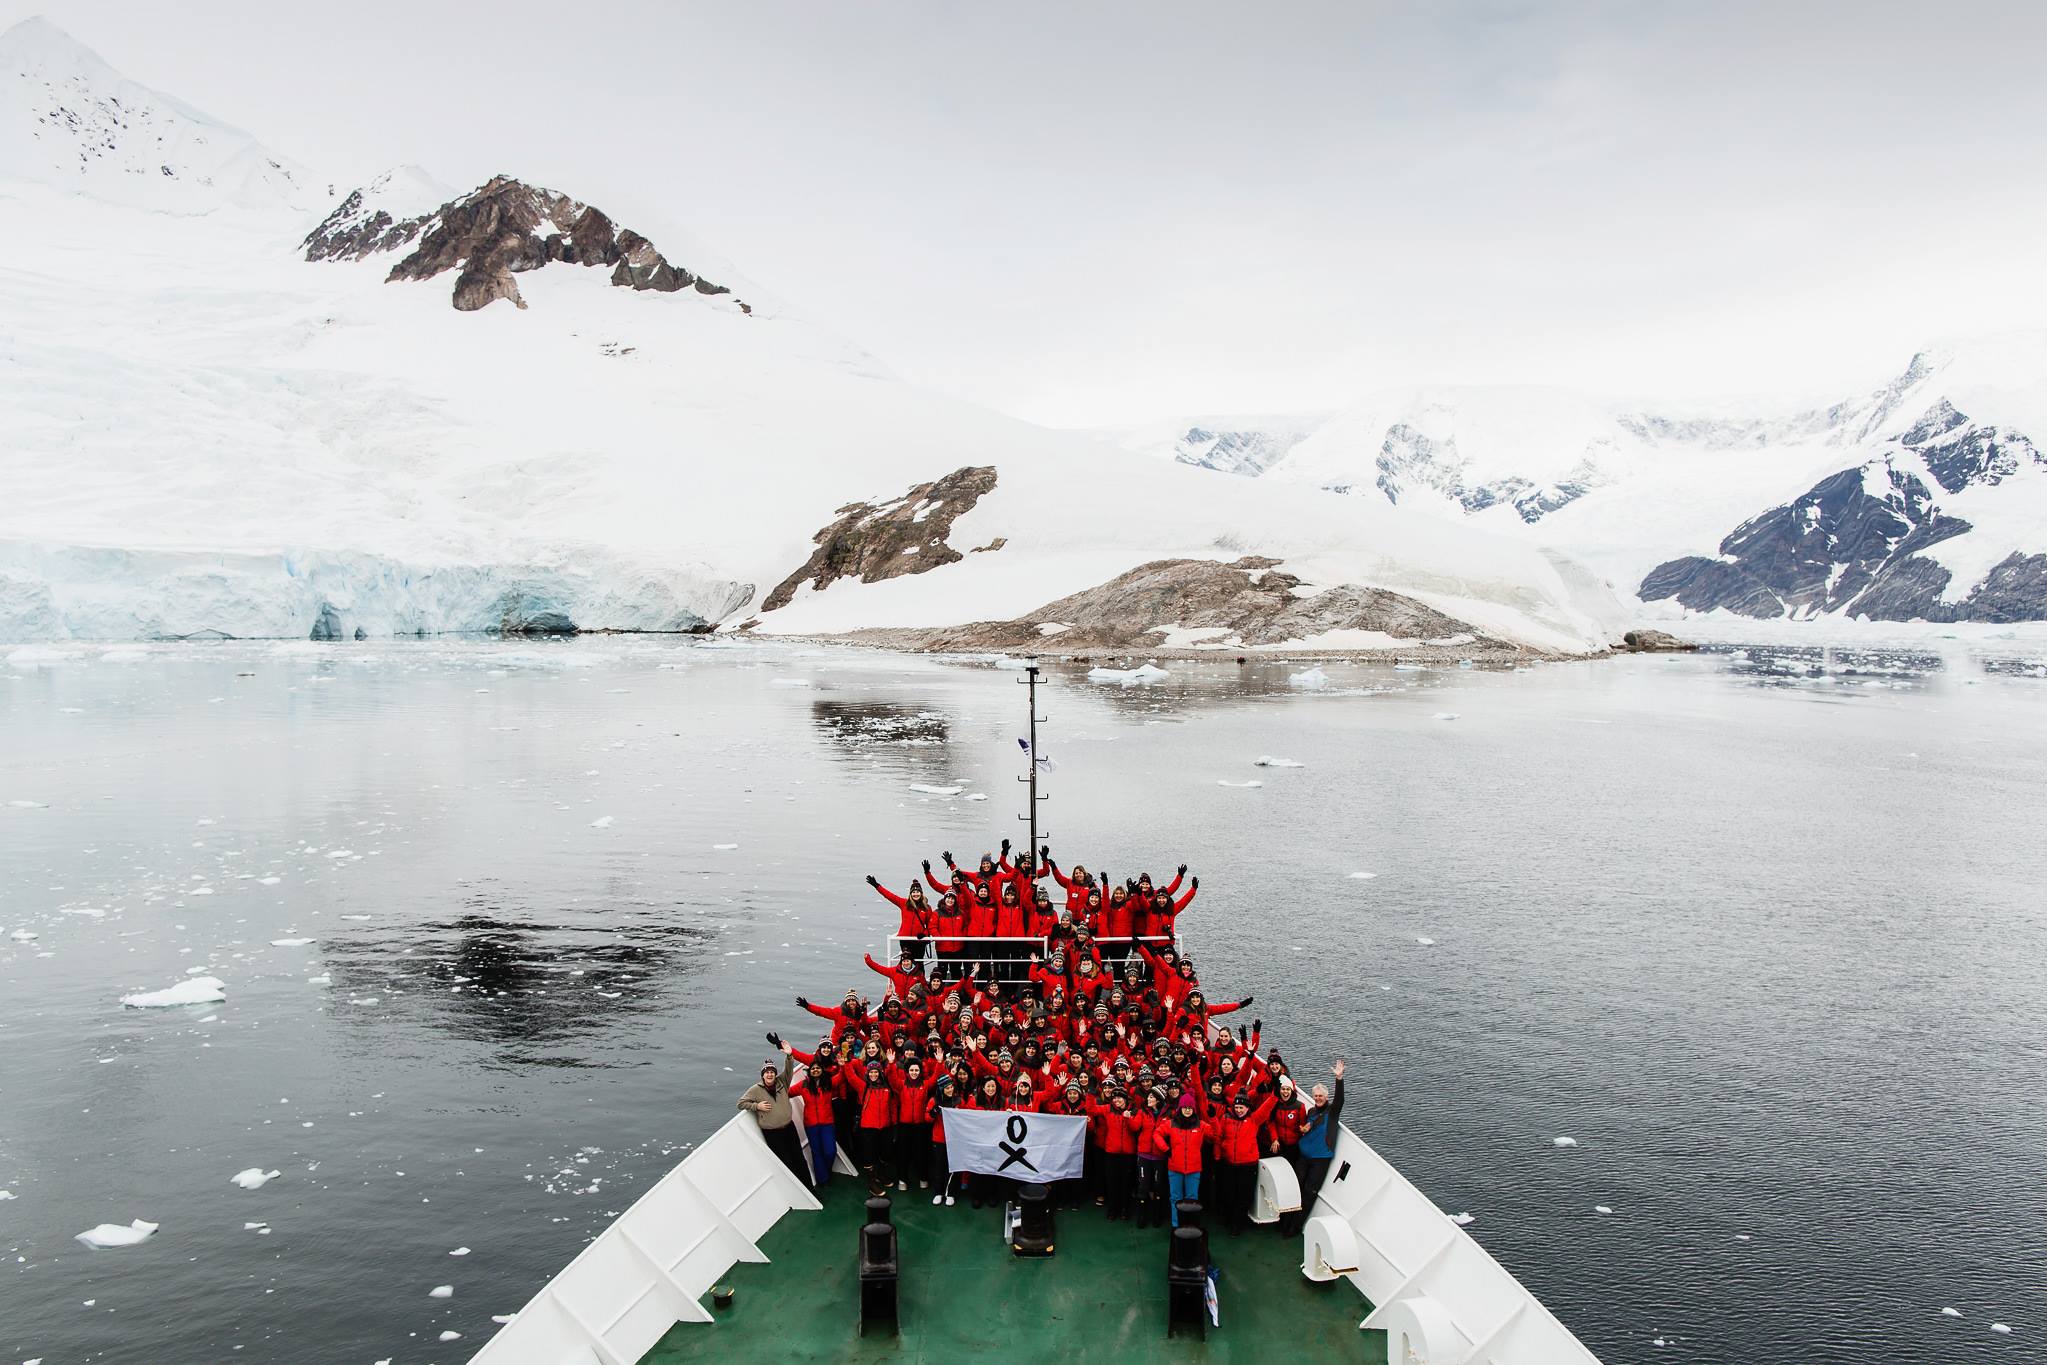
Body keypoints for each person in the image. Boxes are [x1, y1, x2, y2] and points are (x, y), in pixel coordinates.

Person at [737, 1045, 806, 1181]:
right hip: (772, 1134)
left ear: (775, 1073)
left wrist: (789, 1055)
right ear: (762, 1075)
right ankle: (799, 1192)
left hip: (789, 1128)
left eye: (772, 1072)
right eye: (766, 1072)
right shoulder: (755, 1090)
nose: (770, 1074)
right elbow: (740, 1103)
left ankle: (811, 1189)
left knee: (800, 1159)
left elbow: (788, 1070)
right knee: (787, 1163)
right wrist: (757, 1106)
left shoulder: (782, 1082)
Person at [1297, 1060, 1346, 1208]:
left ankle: (1293, 1228)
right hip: (1304, 1156)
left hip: (1320, 1159)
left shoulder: (1332, 1112)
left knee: (1309, 1191)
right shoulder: (1311, 1111)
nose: (1318, 1098)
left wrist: (1339, 1078)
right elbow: (1311, 1126)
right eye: (1316, 1096)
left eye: (1321, 1096)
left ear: (1326, 1097)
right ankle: (1286, 1222)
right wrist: (1304, 1129)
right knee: (1297, 1187)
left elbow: (1340, 1100)